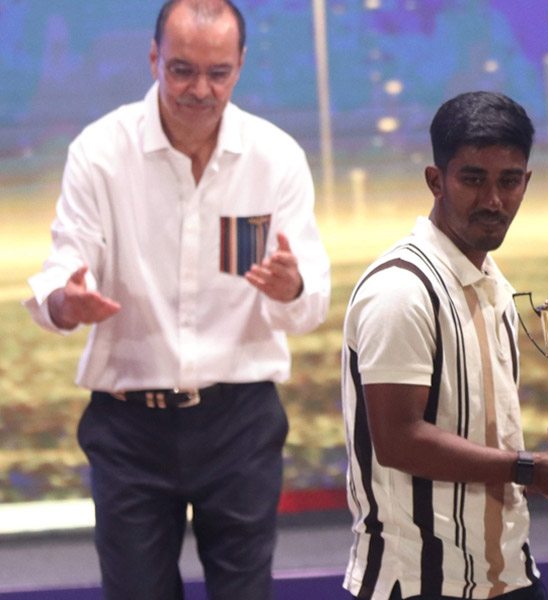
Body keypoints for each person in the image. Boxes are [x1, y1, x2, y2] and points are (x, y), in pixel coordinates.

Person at [23, 0, 330, 597]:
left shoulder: (275, 158)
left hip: (240, 420)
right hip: (129, 427)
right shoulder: (100, 152)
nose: (200, 90)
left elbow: (309, 301)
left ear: (240, 65)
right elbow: (64, 266)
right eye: (182, 70)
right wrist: (66, 300)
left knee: (245, 591)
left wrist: (291, 286)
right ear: (153, 59)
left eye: (218, 73)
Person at [341, 91, 548, 600]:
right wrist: (531, 468)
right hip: (420, 582)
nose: (493, 201)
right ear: (435, 181)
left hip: (506, 572)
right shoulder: (401, 288)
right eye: (473, 179)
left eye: (509, 181)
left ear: (526, 181)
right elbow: (397, 440)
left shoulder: (492, 283)